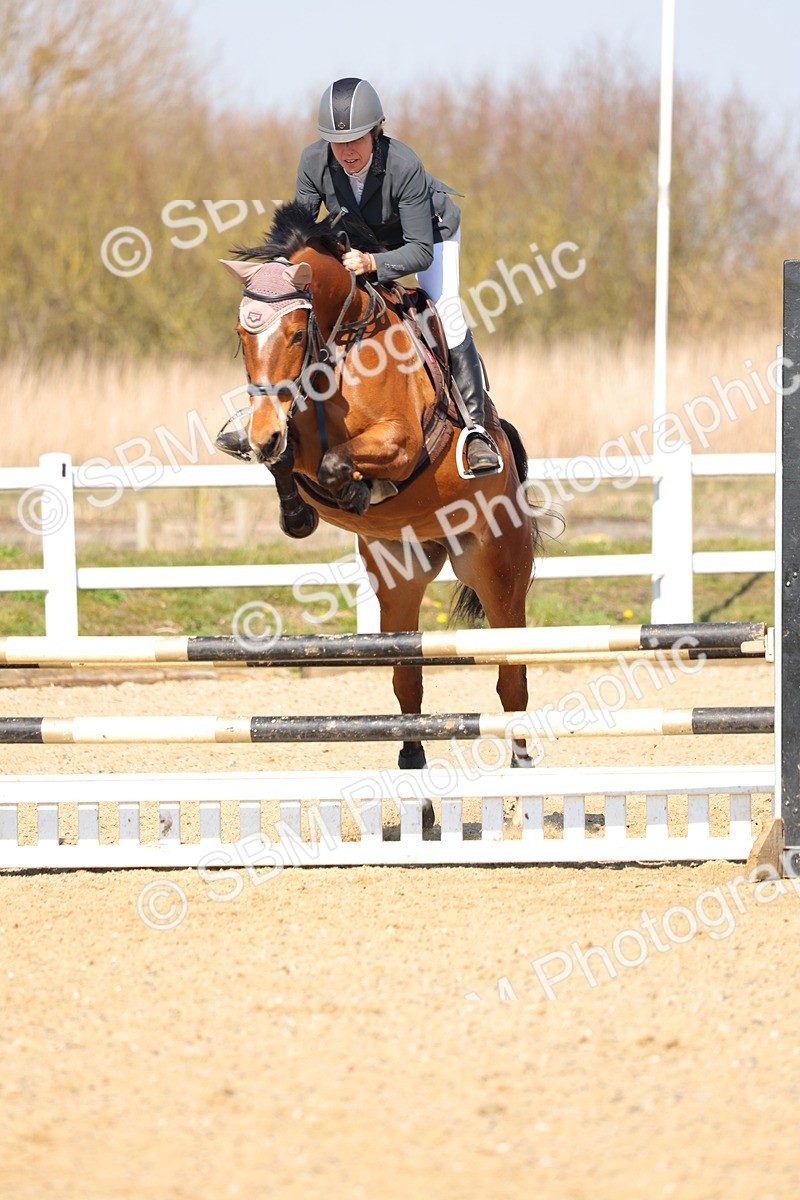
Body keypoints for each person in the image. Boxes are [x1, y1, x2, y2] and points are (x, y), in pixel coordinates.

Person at [294, 76, 500, 474]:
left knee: (446, 309)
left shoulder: (404, 164)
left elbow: (419, 251)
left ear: (375, 131)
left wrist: (372, 264)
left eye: (356, 139)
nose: (347, 151)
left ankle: (478, 432)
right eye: (338, 142)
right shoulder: (313, 162)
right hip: (362, 240)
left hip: (429, 235)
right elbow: (301, 231)